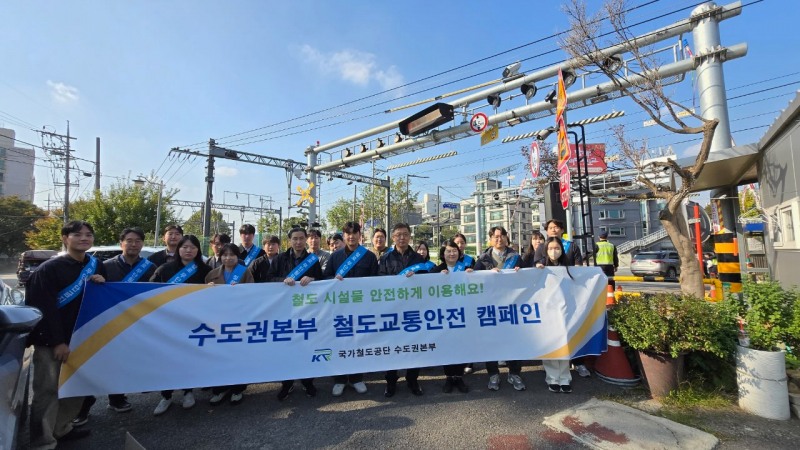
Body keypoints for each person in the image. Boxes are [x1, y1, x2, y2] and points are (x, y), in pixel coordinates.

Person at [26, 220, 107, 448]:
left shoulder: (95, 265)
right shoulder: (49, 269)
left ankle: (61, 428)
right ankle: (42, 441)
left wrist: (102, 282)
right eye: (77, 234)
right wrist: (57, 342)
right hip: (51, 342)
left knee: (76, 386)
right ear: (65, 238)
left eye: (88, 235)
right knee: (47, 391)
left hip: (83, 338)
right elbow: (42, 310)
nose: (84, 238)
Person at [73, 227, 156, 426]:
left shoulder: (151, 268)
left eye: (137, 241)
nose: (133, 244)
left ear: (142, 244)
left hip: (138, 322)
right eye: (129, 240)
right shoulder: (105, 266)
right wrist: (96, 281)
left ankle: (117, 397)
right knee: (98, 362)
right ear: (122, 243)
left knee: (122, 361)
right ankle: (84, 406)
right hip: (108, 322)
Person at [150, 235, 212, 416]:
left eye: (193, 247)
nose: (188, 250)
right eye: (185, 247)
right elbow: (149, 292)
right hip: (169, 322)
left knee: (189, 358)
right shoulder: (165, 269)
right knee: (168, 358)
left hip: (194, 322)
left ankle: (188, 391)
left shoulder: (205, 270)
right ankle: (166, 395)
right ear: (178, 249)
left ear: (198, 250)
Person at [267, 228, 324, 401]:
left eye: (301, 239)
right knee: (287, 346)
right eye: (294, 239)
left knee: (307, 345)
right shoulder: (280, 259)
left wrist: (313, 280)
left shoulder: (312, 260)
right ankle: (287, 383)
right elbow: (269, 279)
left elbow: (322, 281)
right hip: (285, 311)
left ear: (306, 240)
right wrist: (282, 281)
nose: (298, 242)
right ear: (289, 240)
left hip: (306, 310)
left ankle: (308, 381)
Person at [323, 221, 379, 397]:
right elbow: (326, 279)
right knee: (339, 341)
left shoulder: (369, 256)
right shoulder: (336, 256)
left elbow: (375, 280)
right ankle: (339, 379)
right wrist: (334, 279)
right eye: (348, 233)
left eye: (355, 233)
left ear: (359, 235)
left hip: (360, 307)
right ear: (344, 235)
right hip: (339, 308)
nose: (351, 236)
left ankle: (356, 378)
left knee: (358, 342)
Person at [378, 224, 430, 397]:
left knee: (414, 346)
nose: (402, 238)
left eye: (405, 234)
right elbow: (379, 283)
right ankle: (391, 381)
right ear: (393, 237)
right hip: (392, 310)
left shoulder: (418, 259)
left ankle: (412, 379)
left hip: (413, 310)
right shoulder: (385, 259)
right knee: (391, 346)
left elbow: (426, 282)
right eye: (398, 235)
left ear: (410, 237)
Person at [474, 226, 526, 392]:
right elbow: (474, 279)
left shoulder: (516, 257)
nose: (499, 239)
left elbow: (527, 279)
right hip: (490, 306)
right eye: (495, 236)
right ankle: (493, 374)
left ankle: (514, 373)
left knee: (515, 340)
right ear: (490, 239)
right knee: (492, 341)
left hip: (512, 306)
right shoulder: (482, 259)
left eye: (502, 236)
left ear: (506, 238)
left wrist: (521, 272)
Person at [205, 243, 254, 405]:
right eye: (224, 255)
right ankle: (219, 389)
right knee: (218, 356)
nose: (228, 258)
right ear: (220, 257)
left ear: (237, 256)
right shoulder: (211, 274)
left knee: (238, 355)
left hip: (238, 320)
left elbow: (254, 294)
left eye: (232, 255)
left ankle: (237, 389)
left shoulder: (245, 272)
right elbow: (202, 299)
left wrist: (241, 291)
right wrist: (207, 290)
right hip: (218, 322)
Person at [431, 239, 473, 394]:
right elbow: (427, 289)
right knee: (447, 346)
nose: (452, 253)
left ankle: (459, 376)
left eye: (454, 250)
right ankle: (449, 377)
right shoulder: (437, 270)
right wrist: (437, 278)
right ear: (443, 254)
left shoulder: (466, 268)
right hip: (444, 314)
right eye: (448, 251)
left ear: (459, 253)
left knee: (461, 345)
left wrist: (472, 275)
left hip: (462, 313)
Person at [536, 237, 576, 393]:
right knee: (551, 346)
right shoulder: (540, 267)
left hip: (564, 312)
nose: (554, 251)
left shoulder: (568, 268)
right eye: (551, 248)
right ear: (546, 250)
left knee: (564, 345)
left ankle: (565, 378)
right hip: (546, 313)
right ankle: (552, 378)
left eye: (557, 248)